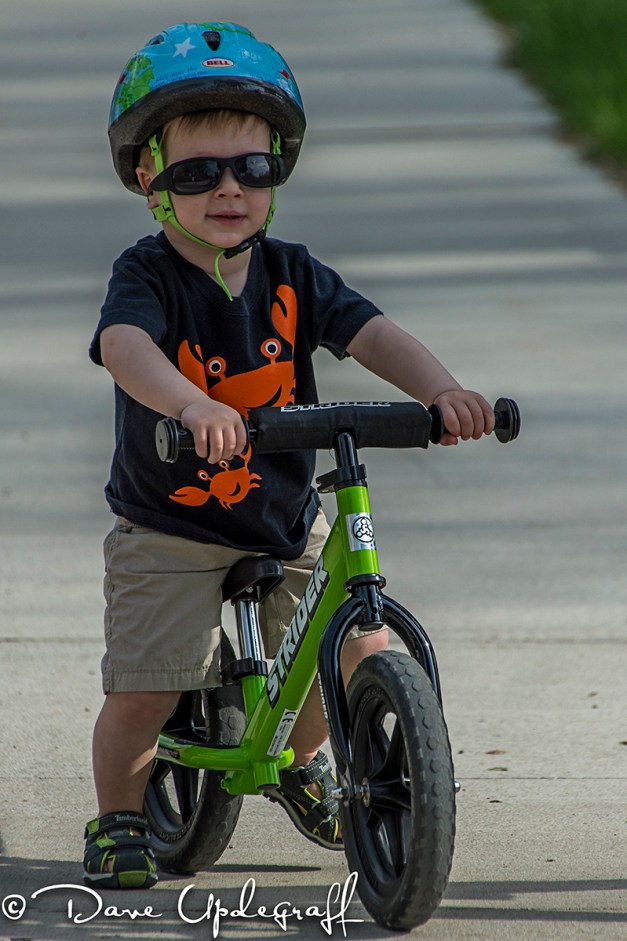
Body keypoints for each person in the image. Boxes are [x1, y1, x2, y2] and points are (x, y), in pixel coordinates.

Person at [85, 21, 495, 889]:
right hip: (173, 525)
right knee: (147, 689)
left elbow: (373, 333)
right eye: (199, 173)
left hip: (281, 514)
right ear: (150, 180)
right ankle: (119, 814)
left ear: (278, 172)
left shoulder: (293, 273)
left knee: (328, 651)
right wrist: (193, 404)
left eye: (252, 168)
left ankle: (310, 761)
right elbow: (125, 346)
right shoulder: (146, 275)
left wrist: (443, 392)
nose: (228, 188)